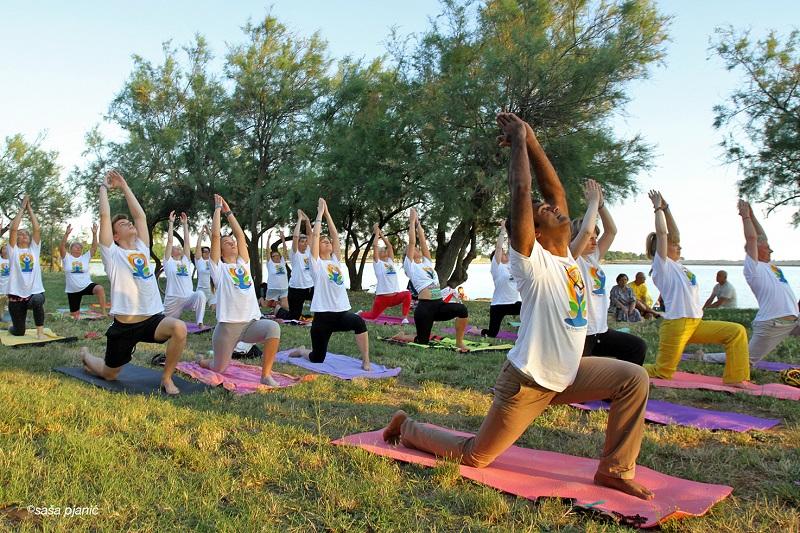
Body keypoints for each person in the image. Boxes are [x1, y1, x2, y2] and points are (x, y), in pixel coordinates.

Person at [384, 113, 653, 500]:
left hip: (570, 373)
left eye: (554, 208)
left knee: (633, 378)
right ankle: (406, 427)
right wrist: (518, 145)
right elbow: (522, 190)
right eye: (544, 213)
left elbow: (552, 188)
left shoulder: (568, 259)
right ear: (535, 234)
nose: (554, 208)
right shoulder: (531, 265)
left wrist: (530, 138)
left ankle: (614, 470)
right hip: (528, 381)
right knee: (475, 456)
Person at [80, 170, 187, 395]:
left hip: (151, 320)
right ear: (115, 236)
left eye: (129, 222)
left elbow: (140, 217)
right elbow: (104, 218)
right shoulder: (112, 253)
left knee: (179, 327)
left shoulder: (141, 248)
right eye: (123, 224)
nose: (129, 223)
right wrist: (103, 189)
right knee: (110, 375)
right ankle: (87, 356)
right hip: (125, 326)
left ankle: (166, 378)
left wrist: (124, 186)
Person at [643, 190, 749, 386]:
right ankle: (622, 369)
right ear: (662, 249)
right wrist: (657, 209)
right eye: (674, 245)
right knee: (661, 373)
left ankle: (735, 379)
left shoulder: (680, 267)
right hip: (676, 324)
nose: (679, 246)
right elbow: (663, 233)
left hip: (695, 323)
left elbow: (674, 233)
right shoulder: (662, 266)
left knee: (736, 332)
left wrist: (667, 208)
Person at [197, 194, 282, 386]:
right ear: (220, 250)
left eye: (232, 242)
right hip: (228, 328)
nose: (232, 243)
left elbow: (241, 235)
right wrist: (218, 209)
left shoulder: (243, 264)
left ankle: (265, 375)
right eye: (228, 243)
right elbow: (215, 236)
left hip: (251, 323)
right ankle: (202, 361)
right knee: (219, 368)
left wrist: (228, 212)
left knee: (273, 328)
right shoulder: (218, 268)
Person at [703, 200, 799, 365]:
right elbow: (752, 237)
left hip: (793, 319)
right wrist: (745, 217)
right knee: (746, 359)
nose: (771, 250)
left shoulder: (769, 266)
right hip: (772, 322)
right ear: (753, 249)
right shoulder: (752, 268)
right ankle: (704, 357)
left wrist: (753, 216)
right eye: (766, 247)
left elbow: (762, 237)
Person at [288, 198, 372, 371]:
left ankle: (366, 360)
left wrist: (327, 213)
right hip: (323, 317)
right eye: (324, 242)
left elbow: (335, 236)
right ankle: (303, 351)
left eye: (329, 243)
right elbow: (316, 235)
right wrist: (319, 214)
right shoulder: (316, 263)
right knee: (317, 358)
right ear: (317, 246)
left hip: (341, 313)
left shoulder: (335, 261)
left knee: (359, 323)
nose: (329, 242)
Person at [570, 180, 646, 365]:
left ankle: (619, 393)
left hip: (600, 331)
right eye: (589, 238)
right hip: (581, 334)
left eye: (596, 237)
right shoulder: (572, 258)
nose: (594, 241)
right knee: (577, 381)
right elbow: (587, 230)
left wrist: (601, 205)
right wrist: (593, 203)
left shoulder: (594, 258)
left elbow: (612, 231)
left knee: (637, 347)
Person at [394, 208, 470, 351]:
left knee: (462, 309)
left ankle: (459, 342)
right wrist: (411, 222)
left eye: (417, 248)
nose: (417, 249)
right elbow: (411, 242)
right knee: (423, 342)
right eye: (413, 249)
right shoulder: (409, 266)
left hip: (439, 305)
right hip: (425, 308)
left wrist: (418, 224)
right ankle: (402, 336)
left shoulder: (426, 263)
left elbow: (423, 242)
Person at [7, 195, 46, 339]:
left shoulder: (34, 249)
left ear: (29, 239)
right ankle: (13, 326)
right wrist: (22, 207)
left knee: (37, 300)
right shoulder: (13, 250)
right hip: (16, 296)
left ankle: (40, 332)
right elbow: (13, 229)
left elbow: (37, 229)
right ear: (16, 238)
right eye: (20, 234)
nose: (23, 235)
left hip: (34, 292)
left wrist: (30, 209)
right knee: (19, 332)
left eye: (25, 234)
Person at [358, 223, 412, 323]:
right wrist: (376, 232)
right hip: (382, 298)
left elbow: (390, 246)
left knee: (407, 294)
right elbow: (375, 245)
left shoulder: (390, 262)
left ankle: (405, 317)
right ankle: (360, 314)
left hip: (395, 297)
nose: (384, 251)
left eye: (384, 250)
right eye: (381, 250)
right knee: (373, 316)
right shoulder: (377, 263)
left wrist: (381, 234)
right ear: (378, 254)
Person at [163, 211, 207, 327]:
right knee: (163, 322)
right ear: (171, 253)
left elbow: (187, 243)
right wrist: (171, 223)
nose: (178, 247)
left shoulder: (185, 261)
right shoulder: (168, 261)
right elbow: (170, 241)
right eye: (175, 247)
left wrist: (185, 224)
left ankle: (200, 322)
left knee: (200, 294)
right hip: (173, 299)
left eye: (179, 247)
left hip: (188, 297)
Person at [481, 220, 521, 337]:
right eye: (503, 254)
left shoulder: (511, 265)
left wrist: (510, 230)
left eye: (505, 253)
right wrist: (503, 230)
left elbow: (511, 245)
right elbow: (499, 247)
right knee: (492, 333)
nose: (505, 254)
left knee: (530, 308)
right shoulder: (497, 267)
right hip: (498, 305)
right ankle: (477, 331)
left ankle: (526, 331)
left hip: (513, 303)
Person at [60, 223, 107, 319]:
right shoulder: (67, 258)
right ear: (71, 249)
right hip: (73, 290)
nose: (78, 248)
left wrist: (94, 234)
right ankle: (75, 311)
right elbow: (61, 247)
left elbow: (94, 248)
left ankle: (104, 312)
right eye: (76, 246)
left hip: (86, 285)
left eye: (80, 247)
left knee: (100, 288)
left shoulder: (85, 257)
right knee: (74, 316)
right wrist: (66, 234)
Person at [287, 210, 315, 320]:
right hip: (296, 288)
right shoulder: (295, 253)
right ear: (297, 243)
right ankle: (278, 310)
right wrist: (299, 220)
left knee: (320, 308)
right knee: (294, 317)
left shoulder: (308, 251)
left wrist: (307, 221)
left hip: (309, 287)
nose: (305, 242)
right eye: (301, 241)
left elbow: (310, 235)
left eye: (305, 241)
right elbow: (295, 237)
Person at [263, 229, 290, 315]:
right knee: (265, 306)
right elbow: (267, 251)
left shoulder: (282, 262)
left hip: (284, 288)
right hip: (273, 288)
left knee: (286, 307)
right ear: (271, 257)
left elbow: (285, 250)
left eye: (278, 255)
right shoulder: (270, 263)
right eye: (274, 256)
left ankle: (277, 309)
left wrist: (283, 239)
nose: (277, 257)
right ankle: (260, 300)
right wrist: (268, 239)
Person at [193, 224, 216, 313]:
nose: (208, 253)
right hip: (201, 290)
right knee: (199, 313)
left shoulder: (212, 260)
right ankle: (200, 324)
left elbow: (214, 243)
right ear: (201, 253)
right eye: (205, 252)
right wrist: (201, 233)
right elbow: (198, 246)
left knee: (216, 311)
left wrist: (208, 230)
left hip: (213, 291)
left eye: (209, 251)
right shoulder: (199, 261)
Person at [0, 244, 10, 322]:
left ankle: (12, 320)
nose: (5, 250)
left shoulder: (12, 259)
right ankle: (1, 318)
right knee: (1, 304)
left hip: (10, 287)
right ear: (1, 251)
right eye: (4, 249)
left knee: (11, 304)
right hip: (1, 286)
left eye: (7, 249)